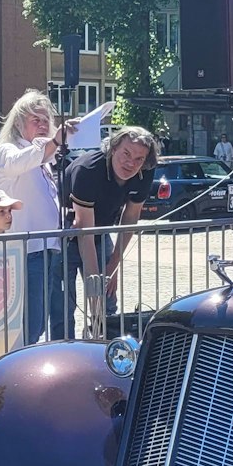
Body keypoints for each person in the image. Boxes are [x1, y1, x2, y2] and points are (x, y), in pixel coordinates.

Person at [0, 90, 78, 344]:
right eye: (35, 120)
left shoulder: (43, 161)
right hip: (24, 251)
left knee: (39, 321)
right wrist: (54, 142)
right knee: (30, 323)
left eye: (45, 120)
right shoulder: (6, 151)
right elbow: (20, 162)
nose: (42, 125)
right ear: (18, 123)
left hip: (47, 249)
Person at [65, 126, 157, 334]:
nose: (131, 163)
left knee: (107, 302)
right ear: (113, 148)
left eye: (139, 159)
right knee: (64, 307)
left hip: (101, 232)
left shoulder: (146, 171)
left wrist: (113, 266)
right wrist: (94, 289)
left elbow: (131, 216)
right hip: (66, 235)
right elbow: (84, 232)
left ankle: (104, 348)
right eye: (126, 153)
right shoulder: (88, 170)